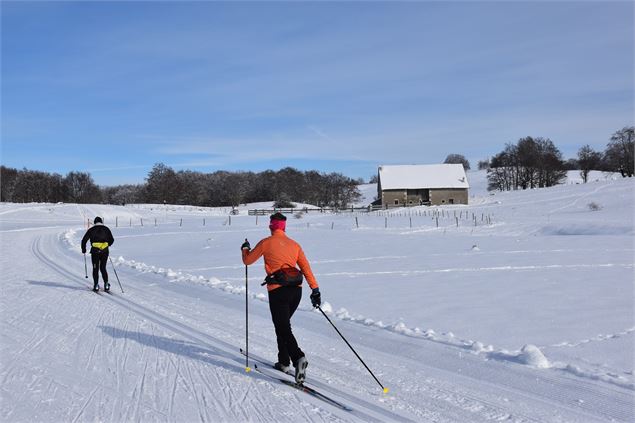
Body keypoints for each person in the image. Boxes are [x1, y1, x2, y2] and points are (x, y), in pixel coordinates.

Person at [241, 212, 321, 384]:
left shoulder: (266, 242)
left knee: (283, 326)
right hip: (296, 291)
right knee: (283, 325)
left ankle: (298, 357)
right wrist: (315, 290)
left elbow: (247, 261)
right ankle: (284, 361)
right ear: (284, 227)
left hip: (278, 291)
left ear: (271, 226)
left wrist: (245, 248)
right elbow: (306, 268)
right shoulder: (295, 245)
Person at [81, 216, 115, 292]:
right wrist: (106, 245)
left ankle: (96, 285)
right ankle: (106, 284)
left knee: (95, 268)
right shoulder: (106, 229)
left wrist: (84, 249)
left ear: (95, 222)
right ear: (101, 222)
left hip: (95, 252)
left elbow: (84, 240)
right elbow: (112, 240)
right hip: (105, 252)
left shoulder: (91, 230)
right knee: (103, 267)